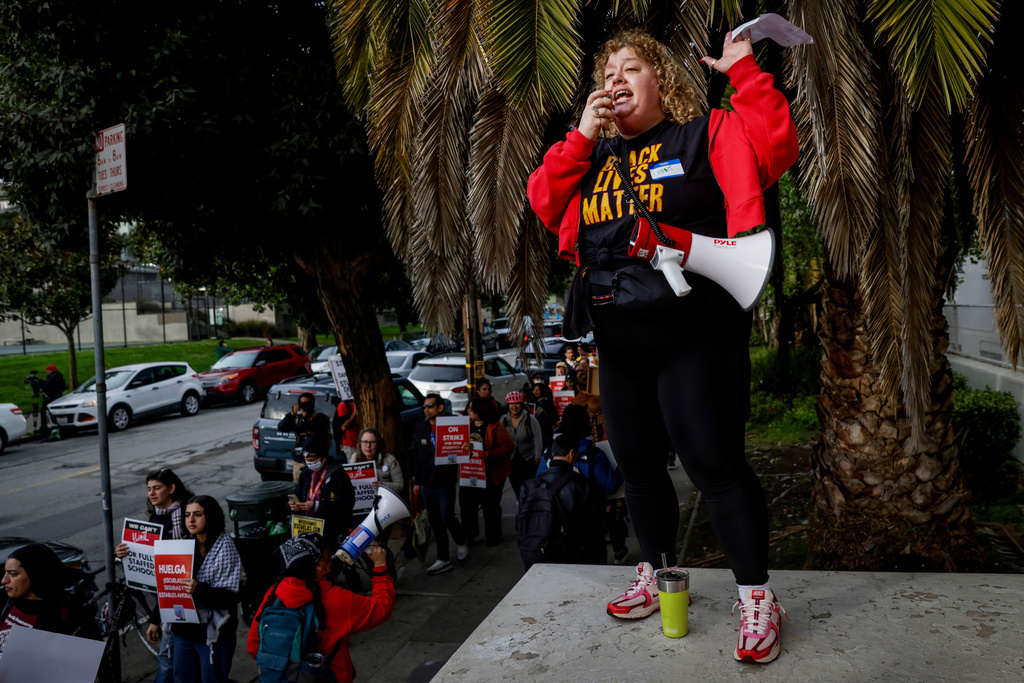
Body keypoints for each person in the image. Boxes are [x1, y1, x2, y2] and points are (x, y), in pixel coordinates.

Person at [527, 29, 797, 664]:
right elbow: (544, 200)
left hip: (694, 337)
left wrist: (745, 73)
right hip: (620, 345)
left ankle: (757, 597)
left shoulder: (705, 133)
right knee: (639, 468)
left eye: (632, 67)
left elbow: (776, 146)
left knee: (713, 463)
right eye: (608, 72)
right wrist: (582, 138)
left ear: (662, 80)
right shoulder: (589, 155)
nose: (616, 79)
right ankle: (657, 571)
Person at [247, 533, 394, 683]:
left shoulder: (274, 592)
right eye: (327, 555)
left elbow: (254, 645)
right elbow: (382, 608)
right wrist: (380, 566)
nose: (331, 558)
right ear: (318, 566)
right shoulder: (337, 598)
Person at [149, 495, 240, 683]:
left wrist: (199, 589)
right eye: (187, 515)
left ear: (211, 516)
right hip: (184, 631)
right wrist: (155, 620)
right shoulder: (183, 545)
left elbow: (230, 598)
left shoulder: (226, 549)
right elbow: (170, 586)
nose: (190, 520)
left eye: (197, 515)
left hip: (214, 635)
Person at [114, 468, 194, 683]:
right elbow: (148, 563)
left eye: (156, 488)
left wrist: (156, 619)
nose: (151, 493)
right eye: (148, 489)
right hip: (167, 598)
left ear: (171, 488)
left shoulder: (188, 517)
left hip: (184, 599)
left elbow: (177, 574)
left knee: (170, 660)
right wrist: (125, 554)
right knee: (172, 659)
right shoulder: (154, 521)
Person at [516, 434, 603, 570]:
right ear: (572, 453)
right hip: (572, 557)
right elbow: (592, 527)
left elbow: (519, 523)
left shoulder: (530, 485)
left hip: (535, 555)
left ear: (552, 453)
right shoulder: (581, 484)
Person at [0, 543, 99, 659]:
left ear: (36, 574)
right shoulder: (12, 602)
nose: (3, 580)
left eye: (13, 574)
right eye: (5, 573)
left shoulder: (70, 612)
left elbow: (91, 661)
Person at [411, 393, 469, 575]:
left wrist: (468, 449)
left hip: (445, 483)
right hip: (427, 484)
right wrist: (417, 481)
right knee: (435, 522)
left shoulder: (452, 425)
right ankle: (443, 558)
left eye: (430, 406)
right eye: (424, 407)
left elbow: (463, 451)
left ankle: (461, 542)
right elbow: (417, 457)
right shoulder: (421, 428)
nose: (426, 410)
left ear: (440, 408)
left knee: (447, 517)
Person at [459, 397, 514, 547]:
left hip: (491, 474)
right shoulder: (466, 426)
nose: (468, 410)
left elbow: (509, 446)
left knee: (490, 507)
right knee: (467, 506)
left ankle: (493, 535)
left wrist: (491, 454)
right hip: (469, 473)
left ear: (481, 411)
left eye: (472, 408)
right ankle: (469, 535)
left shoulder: (495, 426)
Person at [289, 433, 356, 551]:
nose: (309, 463)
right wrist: (293, 505)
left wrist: (316, 506)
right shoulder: (306, 473)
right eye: (306, 460)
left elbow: (345, 505)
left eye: (312, 460)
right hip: (307, 528)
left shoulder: (338, 475)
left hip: (331, 532)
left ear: (323, 457)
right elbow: (298, 495)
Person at [278, 392, 331, 483]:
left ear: (313, 404)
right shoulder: (297, 419)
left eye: (308, 404)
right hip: (300, 461)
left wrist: (307, 416)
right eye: (303, 404)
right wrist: (292, 414)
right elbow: (282, 427)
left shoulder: (320, 418)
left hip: (316, 461)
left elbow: (319, 434)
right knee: (299, 486)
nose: (306, 407)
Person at [500, 391, 544, 501]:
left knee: (529, 487)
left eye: (517, 404)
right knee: (516, 486)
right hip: (511, 459)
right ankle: (521, 506)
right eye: (511, 404)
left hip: (528, 458)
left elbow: (538, 439)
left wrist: (538, 457)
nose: (514, 407)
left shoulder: (530, 419)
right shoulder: (504, 420)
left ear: (522, 404)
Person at [39, 364, 67, 440]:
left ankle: (45, 428)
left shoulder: (51, 377)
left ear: (50, 370)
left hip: (51, 398)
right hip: (58, 396)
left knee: (44, 412)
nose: (47, 372)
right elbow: (63, 387)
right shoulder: (60, 376)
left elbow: (47, 388)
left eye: (48, 370)